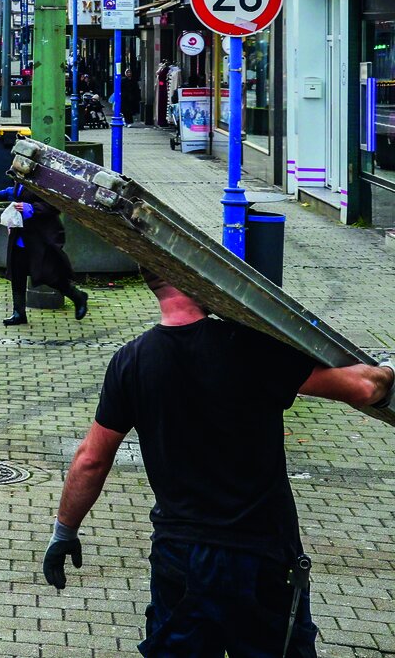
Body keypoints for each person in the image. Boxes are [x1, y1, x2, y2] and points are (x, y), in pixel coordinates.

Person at [46, 274, 393, 655]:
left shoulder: (131, 360)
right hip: (260, 555)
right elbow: (362, 387)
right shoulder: (248, 344)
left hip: (180, 555)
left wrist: (64, 532)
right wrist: (388, 370)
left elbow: (91, 460)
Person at [0, 184, 89, 325]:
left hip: (39, 236)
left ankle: (78, 297)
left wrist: (33, 209)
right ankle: (19, 313)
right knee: (17, 273)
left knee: (48, 274)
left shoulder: (43, 180)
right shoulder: (20, 178)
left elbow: (55, 206)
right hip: (20, 234)